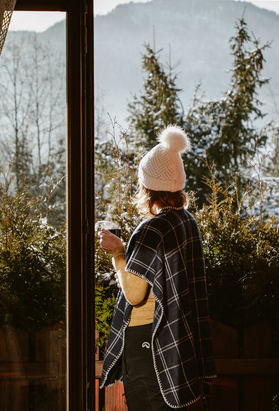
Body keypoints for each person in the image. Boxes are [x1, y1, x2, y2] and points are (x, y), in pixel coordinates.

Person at [98, 125, 216, 410]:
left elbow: (136, 294)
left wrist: (117, 252)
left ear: (147, 186)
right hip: (175, 341)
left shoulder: (152, 229)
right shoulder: (186, 221)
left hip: (146, 339)